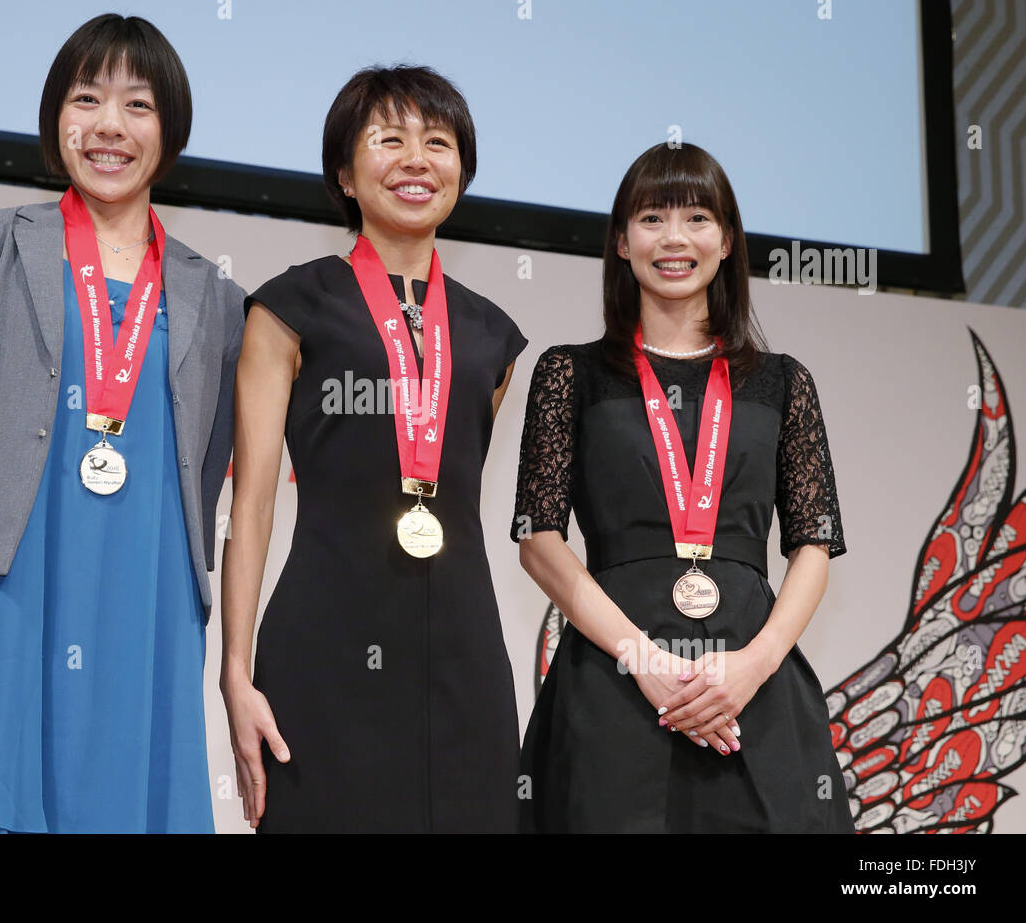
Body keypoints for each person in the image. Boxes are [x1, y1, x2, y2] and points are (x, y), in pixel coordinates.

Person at [0, 14, 245, 833]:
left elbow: (207, 460)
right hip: (6, 567)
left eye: (138, 105)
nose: (110, 126)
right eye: (87, 99)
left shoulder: (214, 297)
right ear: (56, 120)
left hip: (142, 582)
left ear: (169, 130)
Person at [511, 142, 854, 833]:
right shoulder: (568, 374)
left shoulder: (783, 380)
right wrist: (644, 659)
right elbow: (539, 540)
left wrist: (754, 667)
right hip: (613, 679)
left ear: (727, 241)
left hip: (752, 689)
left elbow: (814, 546)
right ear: (621, 239)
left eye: (697, 217)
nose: (674, 238)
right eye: (651, 218)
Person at [221, 65, 528, 832]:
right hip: (323, 643)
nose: (416, 160)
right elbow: (253, 505)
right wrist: (235, 673)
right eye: (388, 141)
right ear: (345, 175)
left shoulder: (493, 336)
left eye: (438, 142)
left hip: (463, 650)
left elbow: (454, 488)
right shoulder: (292, 306)